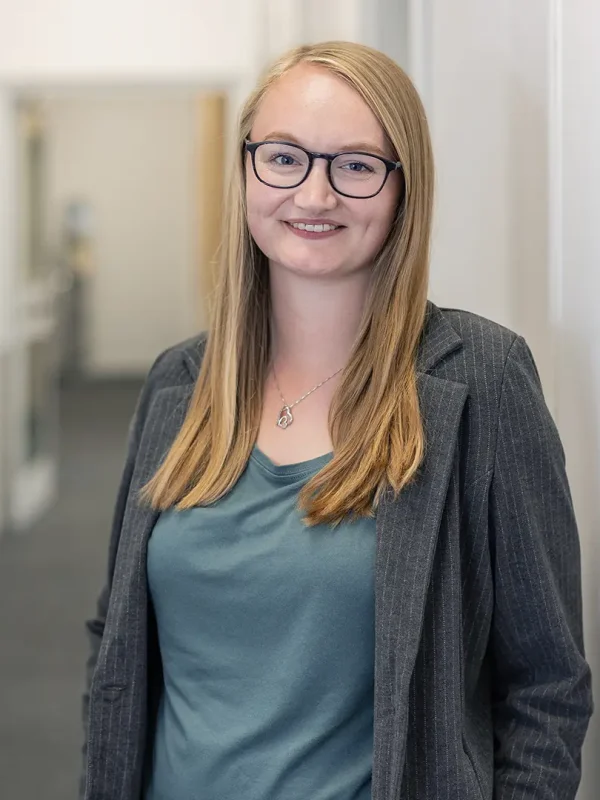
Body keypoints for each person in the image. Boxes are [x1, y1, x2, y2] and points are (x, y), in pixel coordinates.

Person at [80, 41, 593, 800]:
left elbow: (546, 689)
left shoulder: (482, 379)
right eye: (285, 158)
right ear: (248, 168)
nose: (314, 195)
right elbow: (116, 641)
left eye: (355, 165)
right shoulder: (178, 383)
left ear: (404, 188)